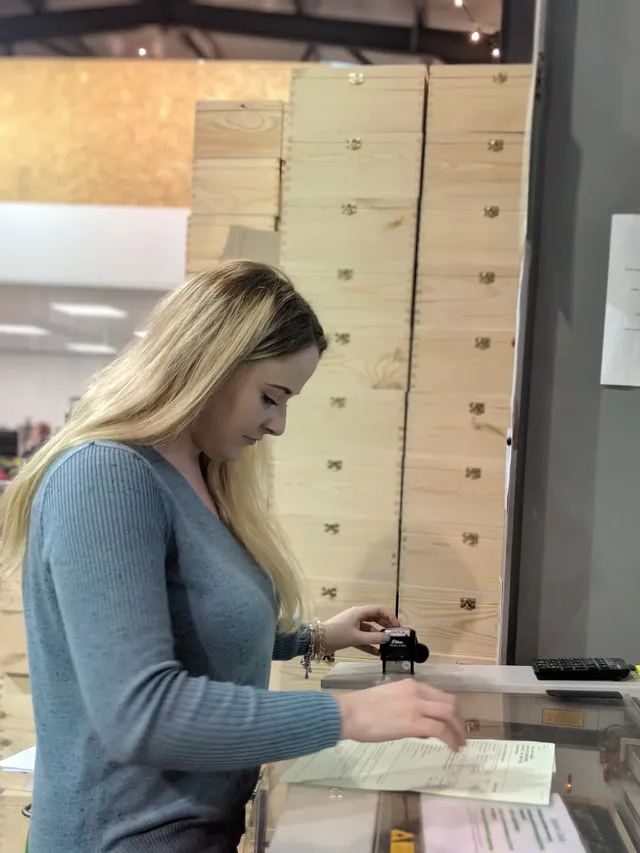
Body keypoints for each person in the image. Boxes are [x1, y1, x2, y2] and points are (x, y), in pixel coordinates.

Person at [0, 261, 465, 853]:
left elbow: (189, 623)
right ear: (208, 363)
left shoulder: (201, 474)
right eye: (271, 398)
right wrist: (348, 717)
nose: (279, 425)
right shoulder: (106, 476)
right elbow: (141, 713)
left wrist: (314, 638)